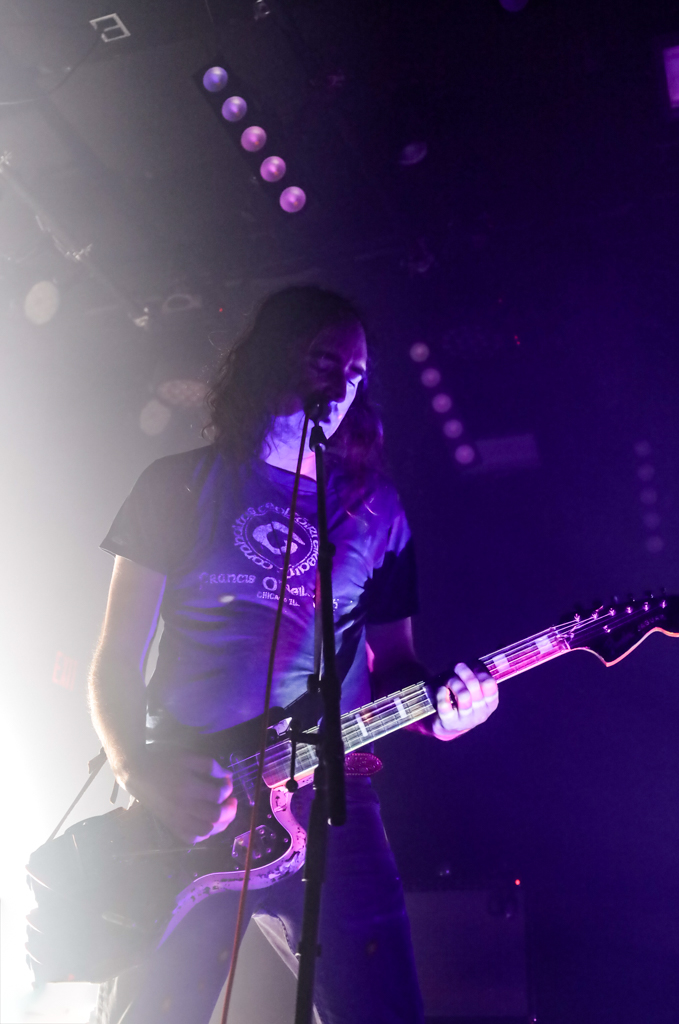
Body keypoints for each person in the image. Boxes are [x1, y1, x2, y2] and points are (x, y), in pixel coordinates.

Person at [89, 286, 499, 1024]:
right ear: (271, 359)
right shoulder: (178, 484)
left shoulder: (378, 510)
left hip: (334, 801)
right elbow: (116, 657)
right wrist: (136, 770)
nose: (341, 388)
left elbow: (396, 665)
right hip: (195, 793)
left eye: (357, 375)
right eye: (324, 362)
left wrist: (445, 713)